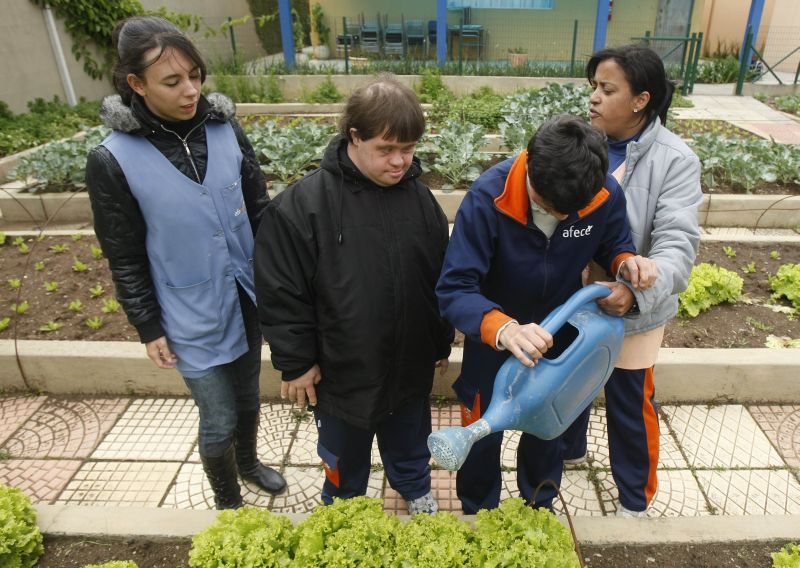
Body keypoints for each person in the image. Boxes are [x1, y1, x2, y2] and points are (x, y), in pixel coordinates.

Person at [85, 16, 286, 510]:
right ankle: (228, 501)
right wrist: (147, 325)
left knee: (247, 397)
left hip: (245, 295)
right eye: (173, 81)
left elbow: (259, 210)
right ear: (136, 84)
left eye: (195, 75)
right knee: (217, 416)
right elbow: (124, 252)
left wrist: (284, 280)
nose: (191, 90)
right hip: (186, 310)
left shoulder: (224, 127)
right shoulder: (113, 159)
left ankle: (249, 463)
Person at [436, 114, 658, 514]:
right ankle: (476, 508)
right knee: (482, 432)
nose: (559, 218)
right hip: (494, 337)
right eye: (549, 208)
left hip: (562, 333)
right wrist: (503, 328)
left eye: (571, 212)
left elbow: (613, 241)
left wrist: (626, 264)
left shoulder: (601, 193)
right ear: (531, 171)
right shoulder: (489, 197)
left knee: (549, 427)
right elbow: (455, 289)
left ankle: (539, 505)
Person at [254, 76, 453, 515]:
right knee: (344, 453)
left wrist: (440, 341)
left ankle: (413, 486)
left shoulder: (421, 202)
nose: (400, 161)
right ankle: (343, 502)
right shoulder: (302, 206)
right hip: (341, 374)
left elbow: (439, 278)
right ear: (355, 137)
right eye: (387, 149)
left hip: (407, 368)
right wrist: (297, 362)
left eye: (409, 148)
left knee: (409, 441)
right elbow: (281, 292)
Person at [562, 44, 703, 517]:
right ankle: (568, 449)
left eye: (607, 89)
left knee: (628, 400)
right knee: (569, 379)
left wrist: (636, 291)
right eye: (593, 88)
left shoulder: (675, 160)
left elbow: (677, 244)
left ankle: (633, 500)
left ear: (641, 100)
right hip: (572, 296)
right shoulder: (578, 141)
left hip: (633, 306)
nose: (594, 99)